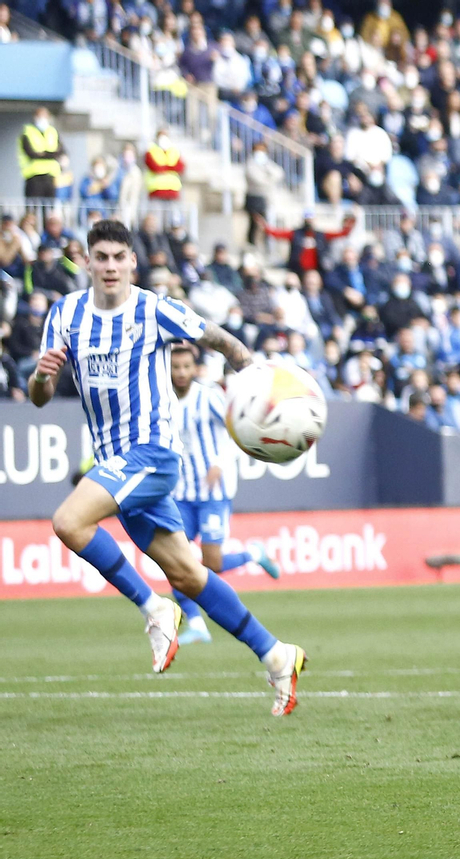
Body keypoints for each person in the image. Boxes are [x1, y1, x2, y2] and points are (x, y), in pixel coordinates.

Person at [27, 219, 308, 716]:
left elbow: (222, 341)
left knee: (69, 522)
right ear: (88, 262)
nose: (110, 266)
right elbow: (40, 399)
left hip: (152, 455)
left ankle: (154, 608)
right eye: (102, 257)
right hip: (118, 463)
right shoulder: (65, 315)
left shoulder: (154, 309)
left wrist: (260, 380)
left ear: (133, 262)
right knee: (188, 574)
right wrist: (41, 377)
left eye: (119, 257)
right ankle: (277, 654)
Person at [168, 341, 283, 645]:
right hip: (181, 493)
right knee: (173, 559)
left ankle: (253, 554)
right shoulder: (162, 400)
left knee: (213, 563)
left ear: (195, 368)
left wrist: (218, 462)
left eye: (185, 366)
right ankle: (196, 624)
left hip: (214, 493)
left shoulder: (208, 397)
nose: (180, 372)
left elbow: (239, 430)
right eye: (175, 367)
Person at [18, 106, 64, 218]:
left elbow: (60, 150)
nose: (43, 119)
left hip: (50, 177)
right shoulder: (27, 132)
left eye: (45, 116)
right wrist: (50, 154)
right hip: (34, 177)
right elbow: (31, 153)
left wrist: (42, 154)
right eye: (40, 116)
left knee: (49, 209)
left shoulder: (52, 131)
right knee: (32, 209)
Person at [144, 128, 184, 203]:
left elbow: (180, 167)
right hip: (156, 190)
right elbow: (155, 168)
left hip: (172, 191)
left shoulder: (173, 150)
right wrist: (170, 168)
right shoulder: (151, 150)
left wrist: (164, 168)